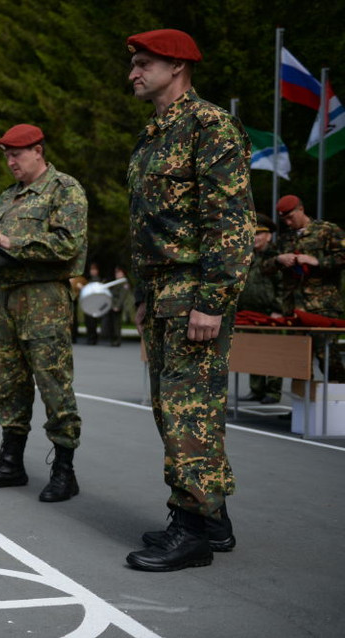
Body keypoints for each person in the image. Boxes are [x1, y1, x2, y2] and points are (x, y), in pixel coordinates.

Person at [125, 29, 254, 572]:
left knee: (187, 413)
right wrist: (140, 295)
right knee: (173, 409)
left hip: (192, 290)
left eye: (143, 63)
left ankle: (193, 530)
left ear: (177, 66)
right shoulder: (155, 133)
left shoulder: (209, 125)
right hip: (160, 290)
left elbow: (231, 220)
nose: (132, 72)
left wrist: (214, 299)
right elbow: (148, 225)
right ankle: (213, 517)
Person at [0, 122, 88, 503]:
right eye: (6, 157)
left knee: (54, 384)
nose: (10, 163)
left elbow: (68, 245)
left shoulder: (64, 189)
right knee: (6, 384)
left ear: (38, 150)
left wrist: (11, 241)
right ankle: (10, 463)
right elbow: (2, 256)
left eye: (16, 155)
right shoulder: (9, 197)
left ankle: (64, 470)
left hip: (45, 301)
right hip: (9, 300)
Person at [264, 194, 345, 381]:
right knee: (298, 360)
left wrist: (317, 261)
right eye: (284, 219)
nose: (287, 222)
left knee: (326, 356)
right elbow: (264, 266)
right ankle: (302, 409)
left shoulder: (327, 230)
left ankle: (337, 404)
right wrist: (278, 260)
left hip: (322, 305)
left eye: (290, 217)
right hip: (293, 306)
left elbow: (342, 256)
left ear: (301, 209)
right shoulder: (285, 239)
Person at [238, 215, 283, 403]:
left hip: (269, 312)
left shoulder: (276, 257)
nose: (255, 238)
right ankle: (256, 389)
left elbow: (282, 285)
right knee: (253, 350)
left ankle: (272, 391)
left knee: (272, 352)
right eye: (253, 234)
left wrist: (279, 309)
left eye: (260, 234)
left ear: (269, 236)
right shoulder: (247, 257)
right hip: (249, 312)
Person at [105, 266, 131, 347]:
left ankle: (117, 340)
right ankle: (113, 339)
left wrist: (117, 306)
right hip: (111, 305)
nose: (117, 274)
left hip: (117, 306)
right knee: (111, 323)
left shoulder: (124, 283)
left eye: (119, 272)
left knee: (116, 324)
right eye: (116, 272)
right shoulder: (116, 282)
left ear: (123, 273)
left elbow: (122, 296)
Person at [84, 263, 102, 345]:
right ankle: (90, 338)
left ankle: (93, 339)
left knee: (93, 322)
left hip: (94, 304)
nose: (93, 271)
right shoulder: (87, 280)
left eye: (94, 269)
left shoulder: (98, 280)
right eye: (92, 269)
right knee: (88, 322)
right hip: (88, 303)